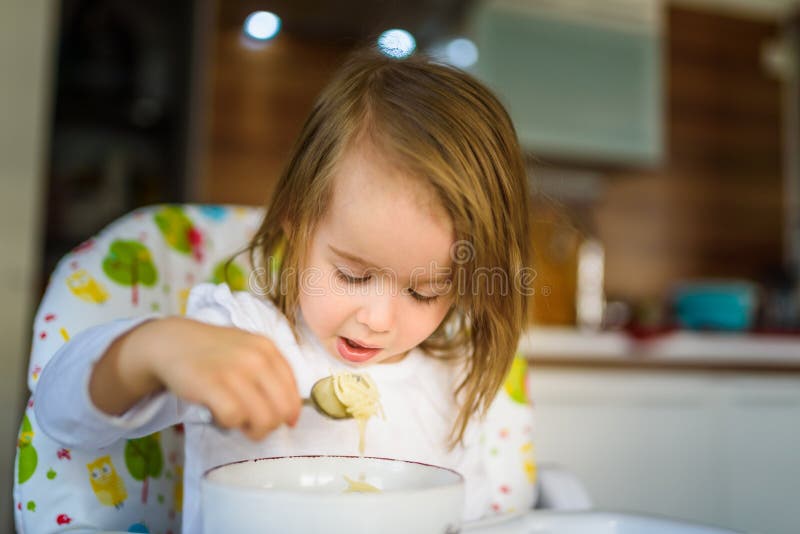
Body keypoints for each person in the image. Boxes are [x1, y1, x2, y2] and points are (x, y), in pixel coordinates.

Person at [34, 47, 533, 532]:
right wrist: (152, 349)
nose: (378, 320)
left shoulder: (452, 380)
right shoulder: (239, 339)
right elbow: (62, 417)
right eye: (353, 275)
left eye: (425, 292)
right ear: (297, 223)